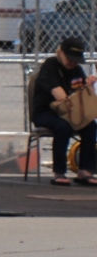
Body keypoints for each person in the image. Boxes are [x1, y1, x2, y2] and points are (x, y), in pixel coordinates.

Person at [30, 36, 97, 186]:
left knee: (91, 126)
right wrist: (71, 101)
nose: (73, 63)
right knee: (62, 127)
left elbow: (81, 94)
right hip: (46, 111)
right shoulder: (50, 66)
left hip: (70, 112)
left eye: (76, 60)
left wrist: (88, 85)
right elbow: (57, 93)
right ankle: (59, 172)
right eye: (70, 59)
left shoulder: (76, 70)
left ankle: (85, 170)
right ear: (60, 53)